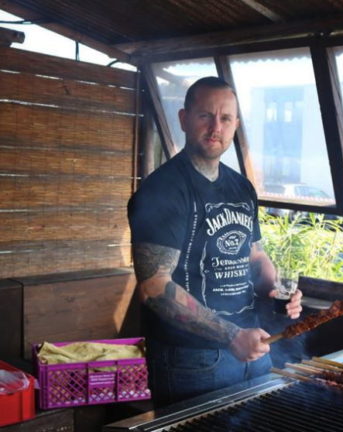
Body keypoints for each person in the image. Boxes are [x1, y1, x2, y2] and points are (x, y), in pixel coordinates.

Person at [127, 76, 303, 409]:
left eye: (225, 118)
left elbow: (255, 255)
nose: (215, 127)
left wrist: (279, 289)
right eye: (204, 116)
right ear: (183, 119)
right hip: (192, 361)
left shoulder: (241, 187)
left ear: (235, 124)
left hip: (254, 345)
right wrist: (229, 335)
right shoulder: (163, 191)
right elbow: (153, 287)